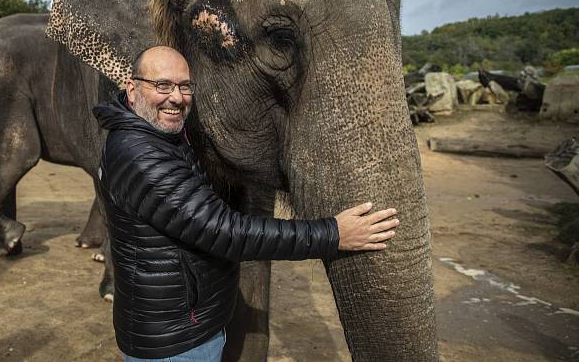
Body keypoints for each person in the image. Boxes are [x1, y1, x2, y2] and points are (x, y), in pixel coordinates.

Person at [92, 46, 399, 362]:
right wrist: (333, 234)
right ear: (131, 89)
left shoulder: (155, 137)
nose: (176, 97)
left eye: (185, 86)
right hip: (176, 344)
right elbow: (227, 233)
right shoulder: (141, 156)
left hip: (183, 327)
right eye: (163, 85)